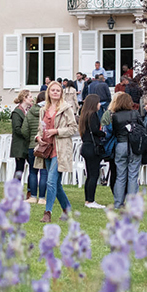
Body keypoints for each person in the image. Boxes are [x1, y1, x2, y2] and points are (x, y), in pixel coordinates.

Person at [35, 80, 78, 223]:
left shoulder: (66, 108)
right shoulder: (43, 109)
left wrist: (57, 131)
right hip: (46, 148)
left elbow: (73, 128)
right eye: (52, 90)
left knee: (50, 181)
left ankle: (47, 212)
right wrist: (38, 137)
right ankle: (67, 209)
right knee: (56, 184)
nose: (55, 92)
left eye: (57, 90)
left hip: (60, 149)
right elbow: (40, 128)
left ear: (61, 93)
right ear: (48, 92)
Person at [110, 92, 142, 209]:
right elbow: (142, 129)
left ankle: (118, 203)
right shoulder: (134, 113)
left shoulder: (115, 116)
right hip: (133, 145)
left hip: (120, 144)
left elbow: (114, 131)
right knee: (133, 175)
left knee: (120, 175)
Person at [78, 94, 106, 209]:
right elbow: (95, 130)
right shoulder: (93, 115)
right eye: (98, 102)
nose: (99, 105)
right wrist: (103, 133)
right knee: (94, 174)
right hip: (92, 147)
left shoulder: (84, 115)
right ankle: (91, 200)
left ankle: (88, 199)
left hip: (86, 146)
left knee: (89, 175)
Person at [22, 91, 47, 203]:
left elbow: (24, 130)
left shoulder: (30, 112)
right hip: (44, 145)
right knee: (44, 172)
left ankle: (32, 196)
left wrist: (30, 138)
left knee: (32, 172)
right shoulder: (48, 111)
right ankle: (41, 198)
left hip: (32, 145)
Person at [10, 90, 32, 184]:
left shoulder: (29, 111)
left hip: (28, 144)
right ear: (24, 98)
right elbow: (17, 129)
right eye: (30, 97)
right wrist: (29, 134)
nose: (32, 99)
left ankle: (30, 191)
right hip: (19, 145)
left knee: (32, 168)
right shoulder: (17, 112)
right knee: (19, 169)